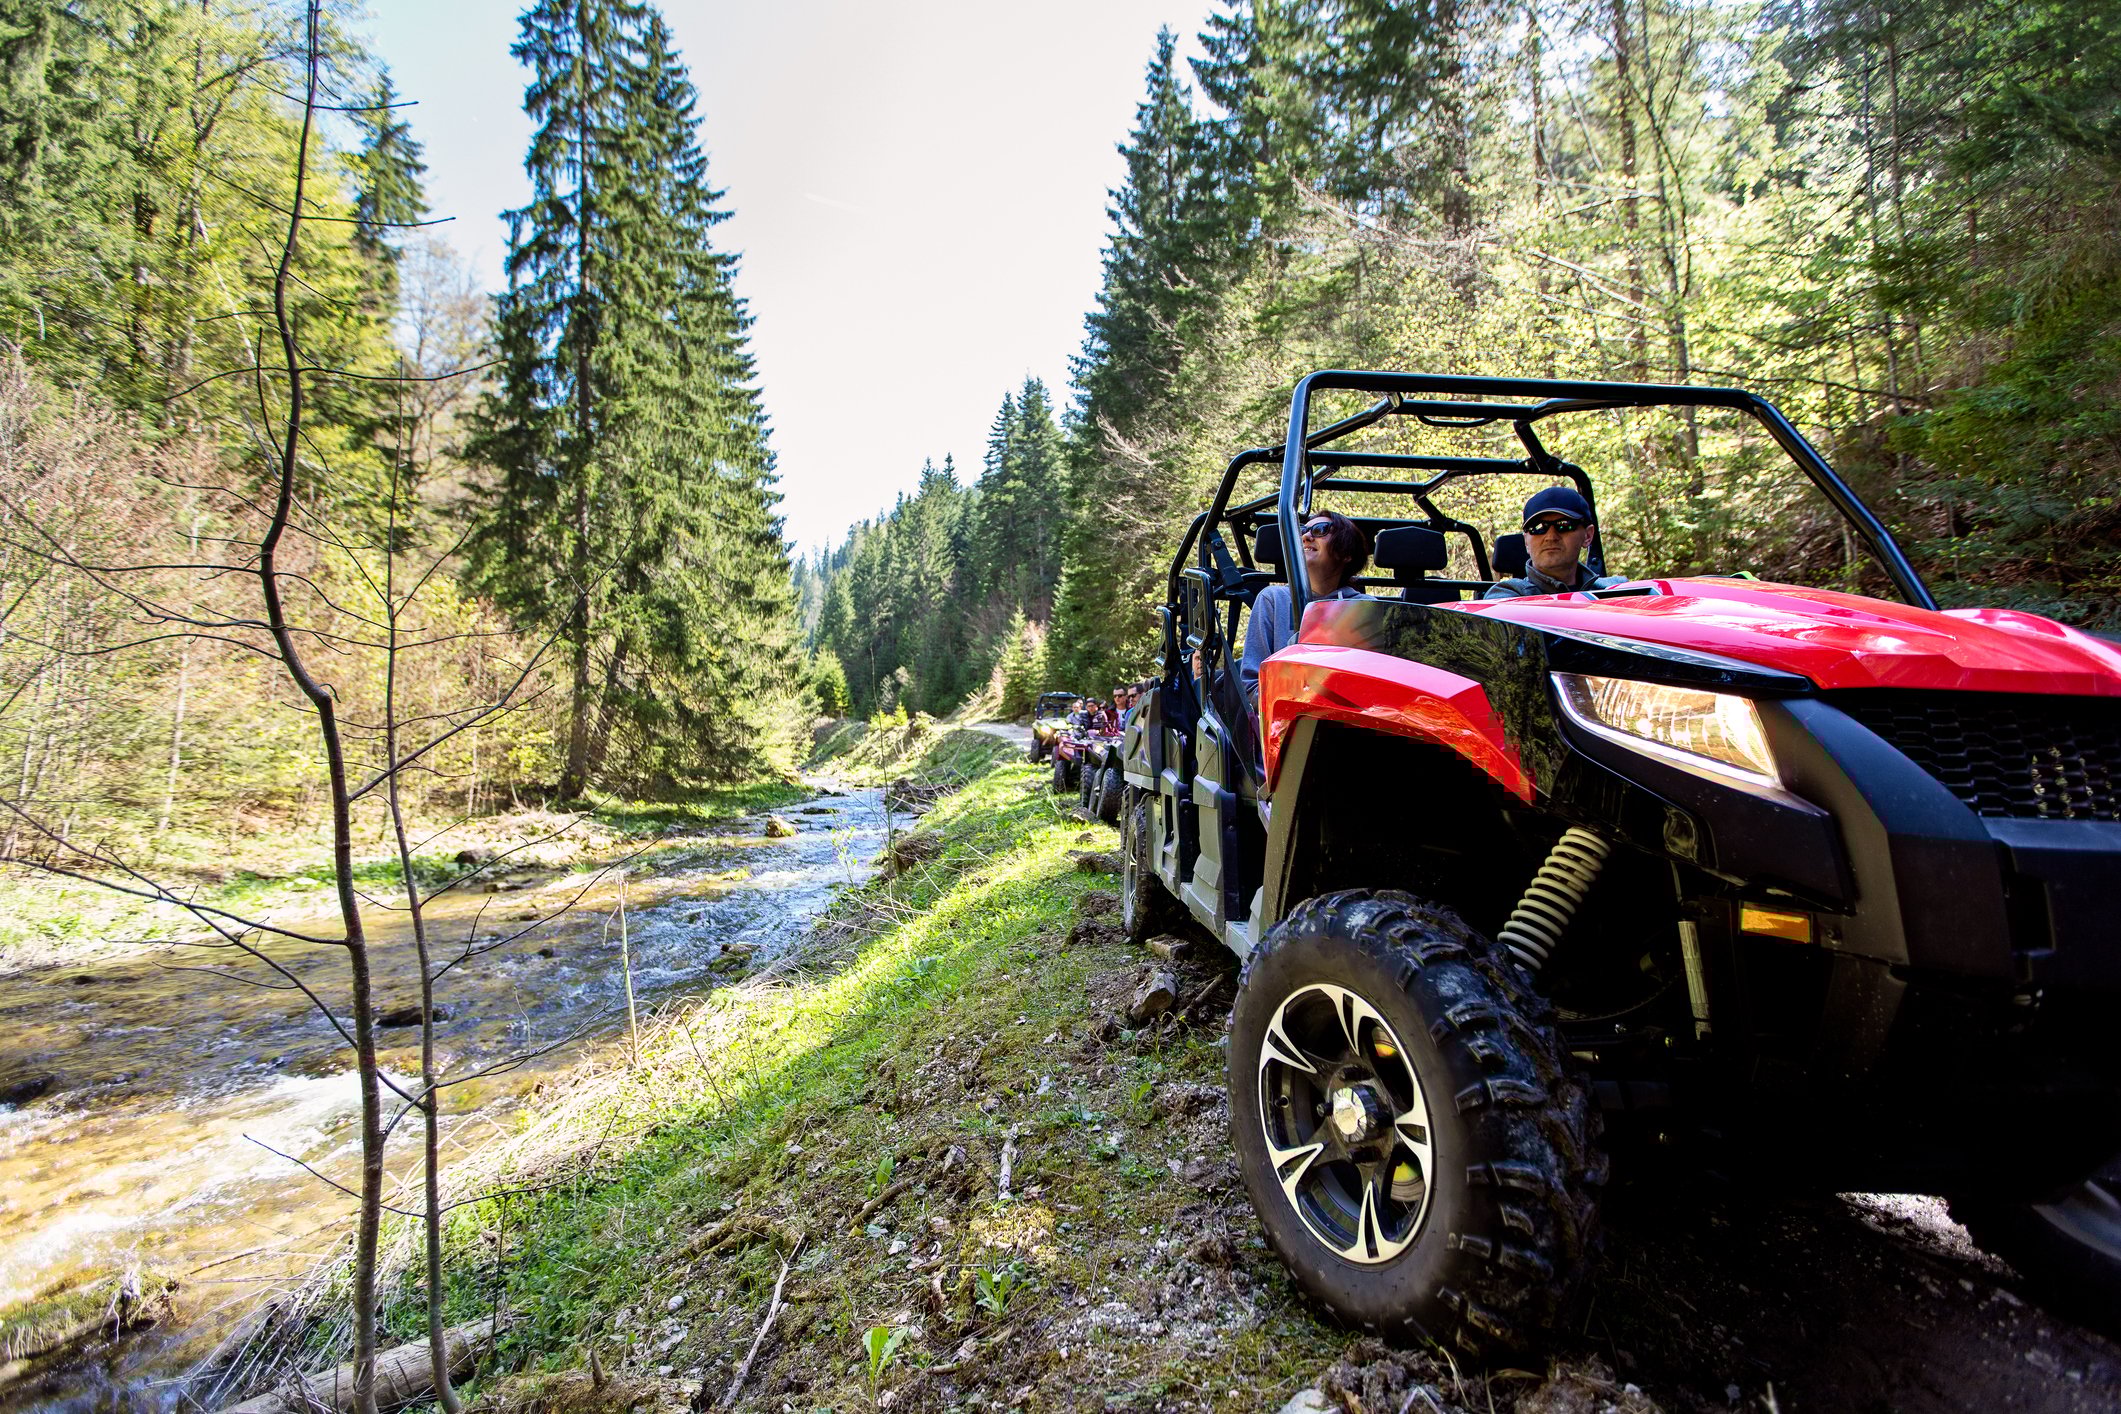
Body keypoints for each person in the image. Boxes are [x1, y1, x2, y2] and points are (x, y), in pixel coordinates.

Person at [1243, 509, 1371, 709]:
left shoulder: (1365, 607)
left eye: (1320, 530)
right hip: (1285, 719)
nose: (1306, 536)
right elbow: (1251, 686)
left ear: (1346, 553)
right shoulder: (1274, 600)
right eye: (1303, 531)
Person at [1485, 487, 1626, 599]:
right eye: (1539, 528)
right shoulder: (1506, 598)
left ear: (1588, 536)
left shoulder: (1618, 591)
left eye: (1564, 525)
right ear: (1526, 541)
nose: (1551, 536)